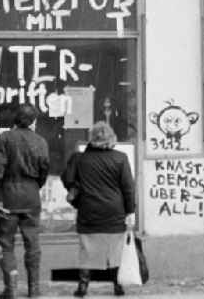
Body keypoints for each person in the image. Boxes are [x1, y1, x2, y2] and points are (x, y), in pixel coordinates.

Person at [0, 103, 50, 299]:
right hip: (31, 196)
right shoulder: (40, 142)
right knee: (33, 243)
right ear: (33, 121)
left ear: (15, 119)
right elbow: (44, 171)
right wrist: (33, 186)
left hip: (7, 196)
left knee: (6, 243)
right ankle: (33, 289)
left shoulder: (4, 139)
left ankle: (11, 289)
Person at [62, 121, 135, 297]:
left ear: (91, 138)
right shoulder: (120, 158)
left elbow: (67, 179)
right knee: (115, 249)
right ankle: (117, 286)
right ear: (112, 138)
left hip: (88, 209)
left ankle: (83, 286)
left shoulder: (80, 158)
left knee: (87, 249)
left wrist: (77, 195)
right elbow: (128, 188)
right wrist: (130, 211)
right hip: (114, 211)